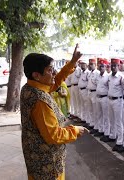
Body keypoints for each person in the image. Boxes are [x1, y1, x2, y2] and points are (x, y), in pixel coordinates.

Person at [20, 44, 89, 180]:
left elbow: (56, 81)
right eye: (50, 70)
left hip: (35, 159)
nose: (55, 73)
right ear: (37, 75)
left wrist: (73, 62)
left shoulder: (30, 87)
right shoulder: (41, 101)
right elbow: (53, 136)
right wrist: (75, 130)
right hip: (47, 165)